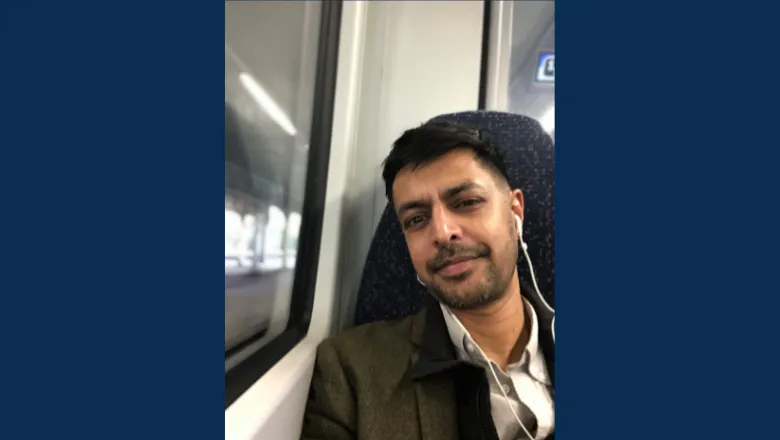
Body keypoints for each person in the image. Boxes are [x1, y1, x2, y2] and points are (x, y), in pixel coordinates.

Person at [301, 118, 555, 440]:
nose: (442, 232)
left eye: (466, 202)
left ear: (515, 211)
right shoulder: (351, 370)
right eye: (417, 219)